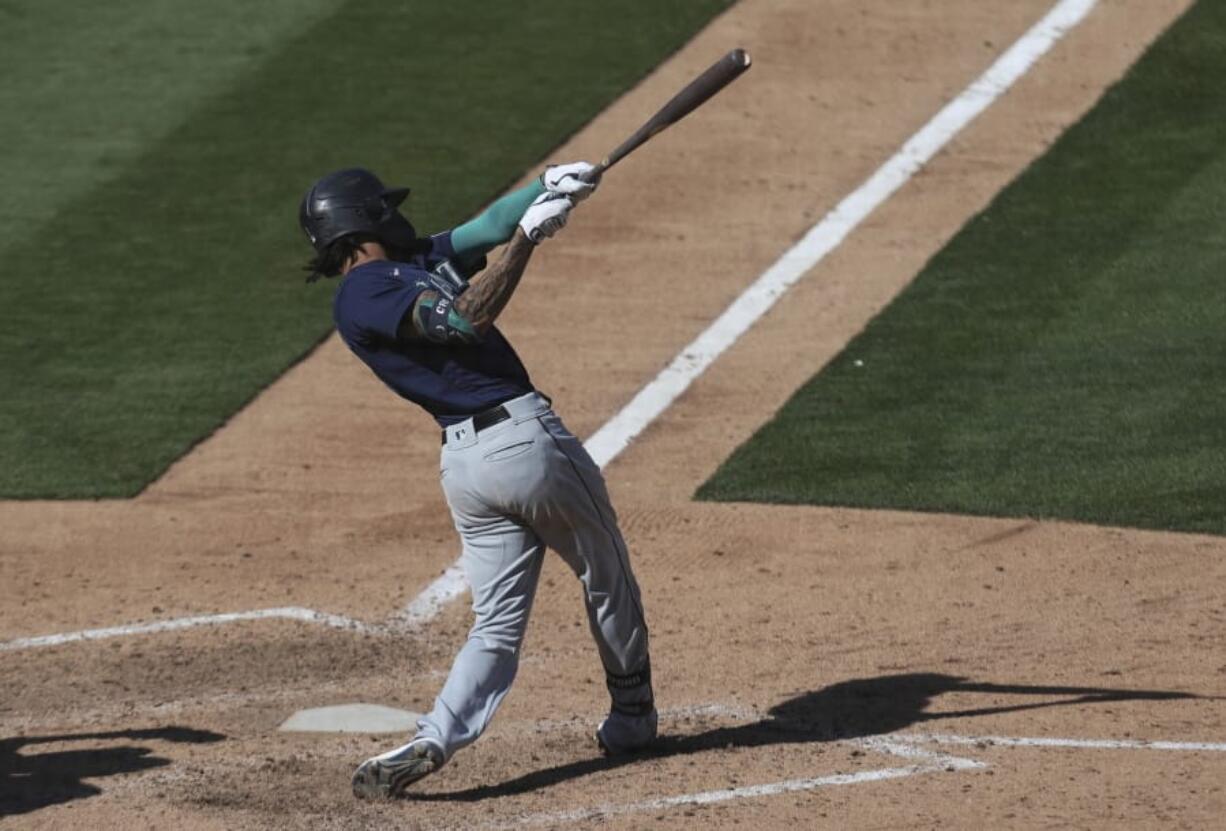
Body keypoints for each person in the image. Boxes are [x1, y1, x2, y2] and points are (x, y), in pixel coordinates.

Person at [297, 163, 656, 800]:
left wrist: (551, 186)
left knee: (494, 626)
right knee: (607, 573)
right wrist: (526, 244)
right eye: (386, 207)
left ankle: (435, 737)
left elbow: (485, 226)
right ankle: (632, 720)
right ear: (363, 222)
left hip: (468, 469)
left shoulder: (413, 261)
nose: (399, 214)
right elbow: (464, 319)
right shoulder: (366, 292)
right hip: (525, 443)